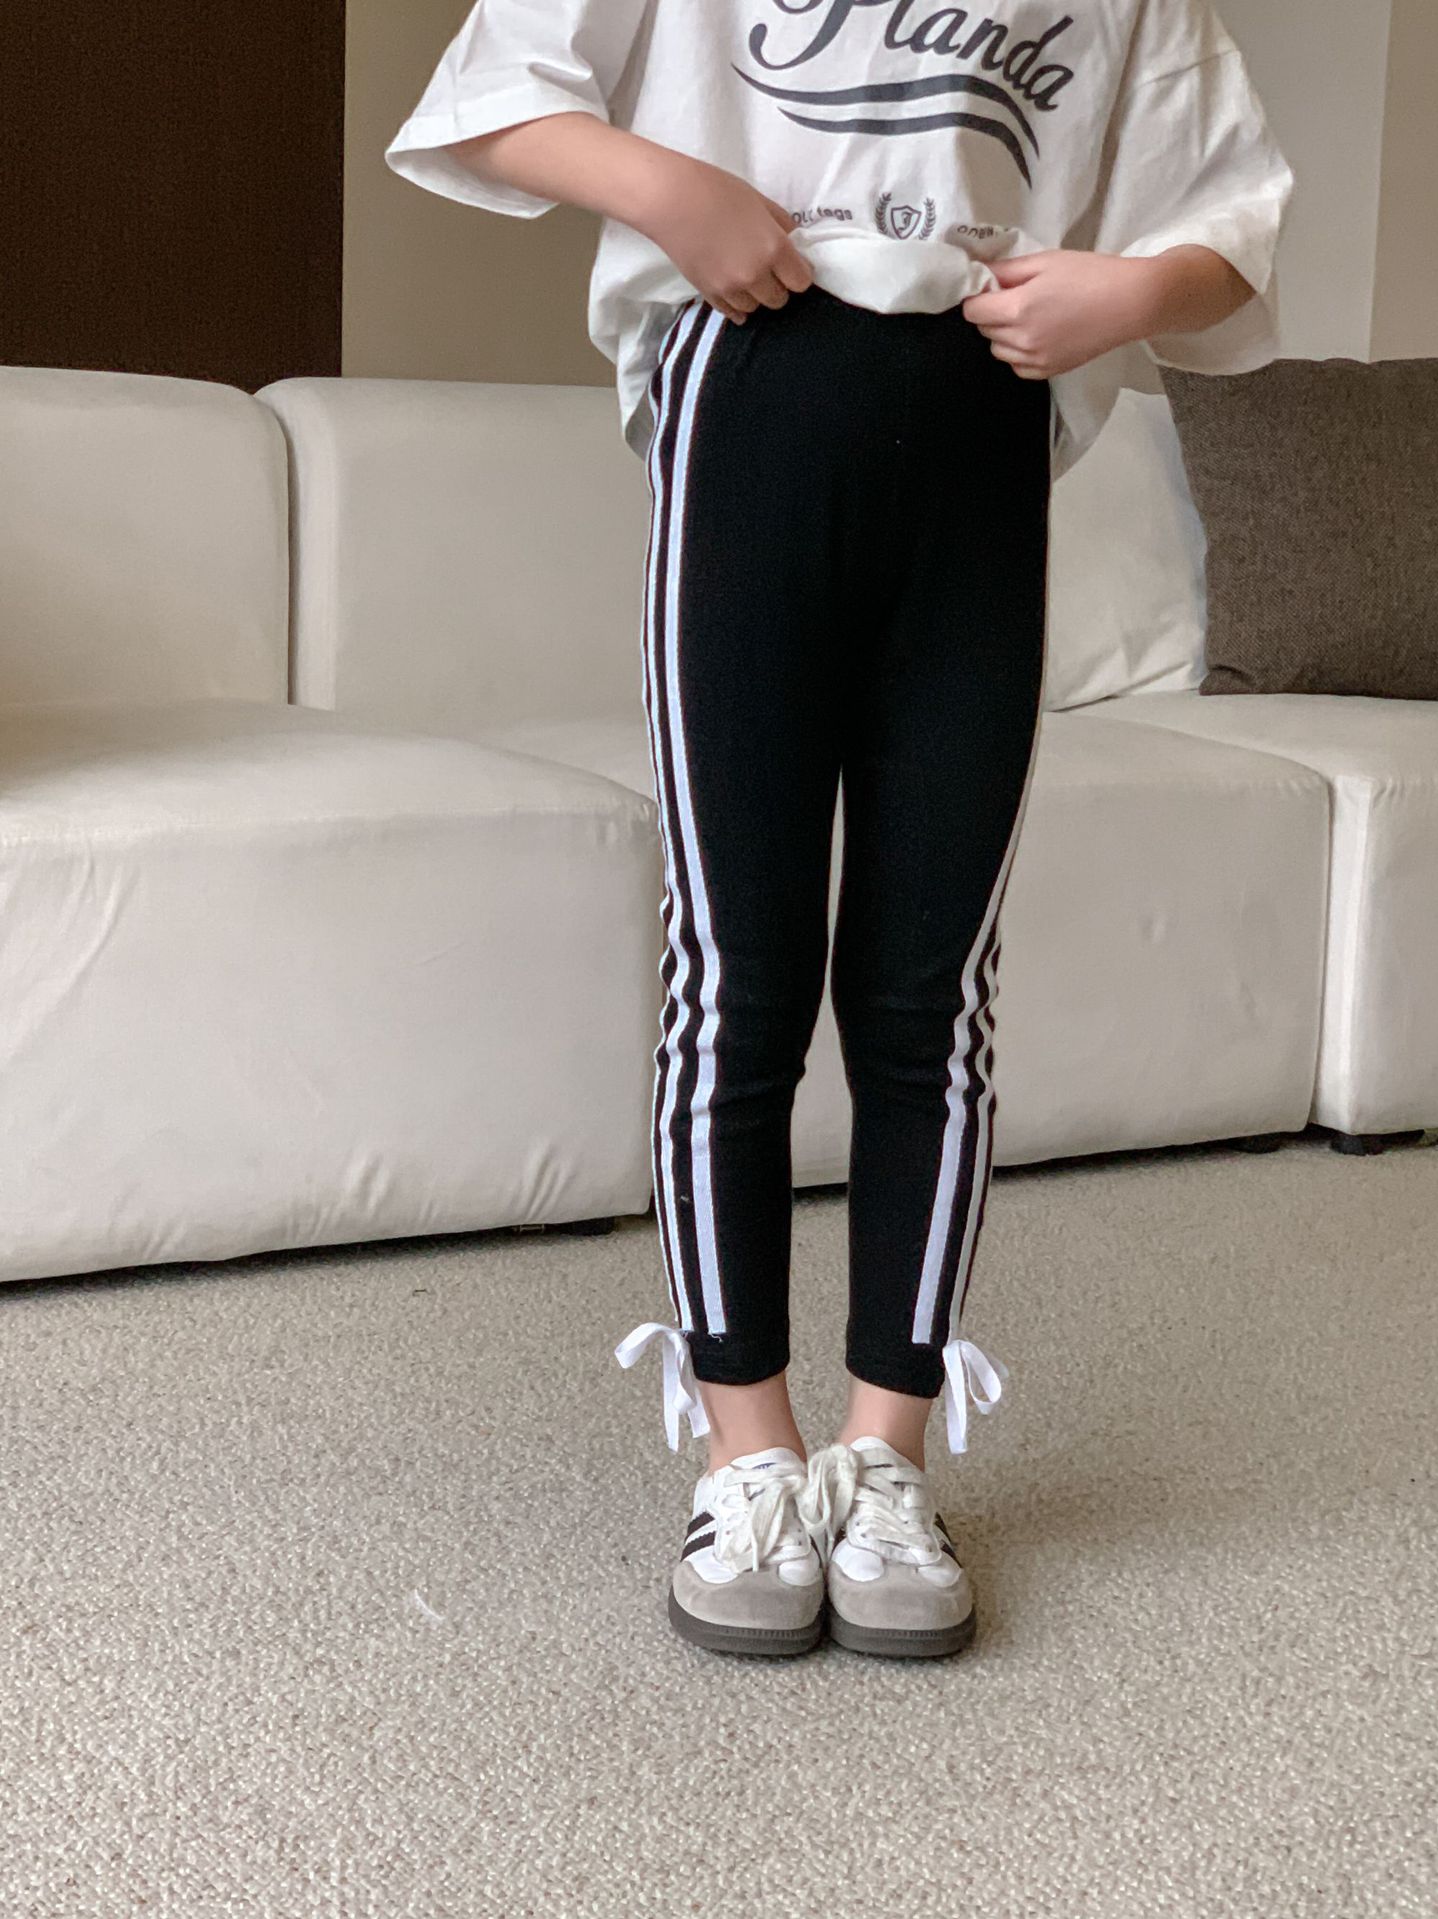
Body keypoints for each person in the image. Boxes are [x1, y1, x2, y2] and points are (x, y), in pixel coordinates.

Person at [387, 0, 1294, 1660]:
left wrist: (1125, 295)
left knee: (929, 989)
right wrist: (668, 189)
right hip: (751, 395)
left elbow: (1230, 224)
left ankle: (888, 1456)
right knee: (738, 973)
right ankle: (747, 1452)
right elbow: (490, 100)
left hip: (980, 436)